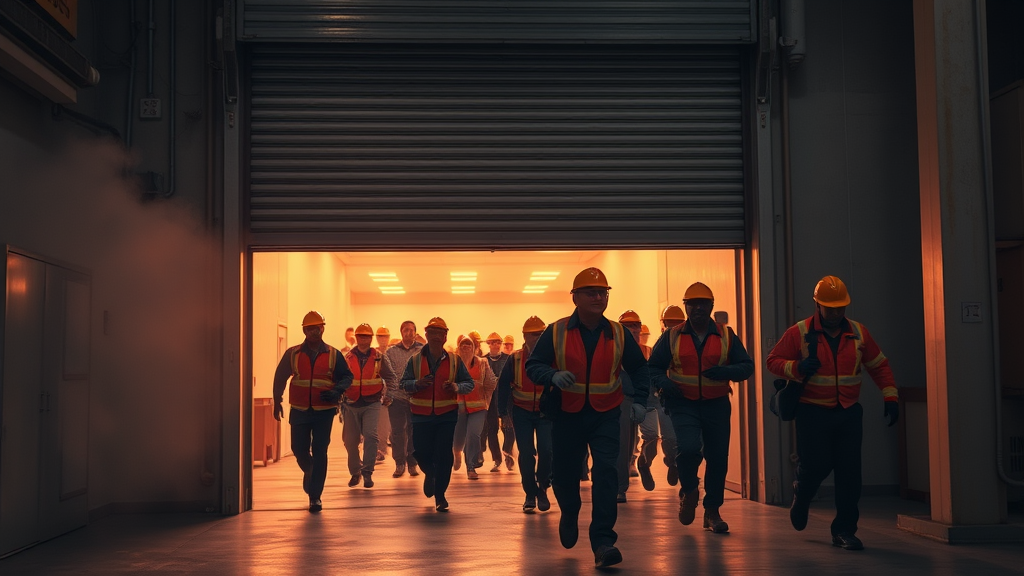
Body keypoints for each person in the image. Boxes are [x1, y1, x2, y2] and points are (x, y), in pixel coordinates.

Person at [526, 267, 650, 568]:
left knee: (606, 472)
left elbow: (639, 368)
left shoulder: (618, 333)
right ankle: (569, 512)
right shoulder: (555, 331)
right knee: (565, 474)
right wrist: (553, 375)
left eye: (603, 293)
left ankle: (603, 541)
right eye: (591, 292)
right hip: (567, 415)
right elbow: (533, 365)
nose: (598, 297)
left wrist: (641, 401)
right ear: (575, 297)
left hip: (606, 413)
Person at [766, 275, 899, 551]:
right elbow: (773, 362)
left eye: (841, 307)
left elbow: (879, 365)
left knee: (850, 474)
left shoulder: (859, 333)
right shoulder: (799, 333)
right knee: (816, 465)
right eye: (830, 308)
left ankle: (844, 531)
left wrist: (890, 396)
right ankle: (802, 494)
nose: (836, 313)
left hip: (849, 413)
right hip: (812, 412)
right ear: (817, 305)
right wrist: (798, 367)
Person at [648, 283, 754, 534]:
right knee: (687, 448)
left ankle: (712, 512)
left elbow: (746, 366)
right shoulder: (672, 335)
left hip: (716, 404)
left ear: (711, 307)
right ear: (686, 307)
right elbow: (652, 367)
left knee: (717, 458)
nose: (697, 308)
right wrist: (664, 382)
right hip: (682, 402)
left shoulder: (726, 335)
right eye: (692, 303)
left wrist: (726, 372)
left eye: (702, 303)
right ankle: (690, 490)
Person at [272, 310, 354, 513]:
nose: (313, 332)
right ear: (304, 330)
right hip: (299, 410)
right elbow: (280, 377)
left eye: (316, 328)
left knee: (320, 451)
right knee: (299, 449)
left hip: (324, 411)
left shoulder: (334, 354)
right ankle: (311, 472)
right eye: (309, 329)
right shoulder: (293, 353)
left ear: (322, 329)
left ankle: (315, 496)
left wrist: (336, 391)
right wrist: (276, 401)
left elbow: (347, 377)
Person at [401, 317, 474, 512]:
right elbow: (403, 383)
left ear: (445, 337)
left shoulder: (454, 361)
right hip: (421, 415)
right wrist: (416, 384)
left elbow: (469, 384)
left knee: (444, 456)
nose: (434, 336)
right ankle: (430, 473)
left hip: (446, 416)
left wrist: (456, 386)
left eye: (438, 333)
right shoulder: (415, 360)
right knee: (421, 452)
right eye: (431, 333)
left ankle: (440, 496)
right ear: (425, 335)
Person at [497, 316, 552, 513]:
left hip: (546, 414)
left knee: (547, 451)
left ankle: (543, 487)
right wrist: (502, 413)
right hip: (521, 412)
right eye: (533, 335)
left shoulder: (553, 358)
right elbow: (503, 385)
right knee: (527, 454)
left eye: (540, 334)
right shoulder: (516, 358)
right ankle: (530, 493)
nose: (537, 338)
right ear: (525, 336)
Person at [637, 305, 685, 490]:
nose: (673, 326)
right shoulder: (660, 345)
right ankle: (644, 464)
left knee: (671, 438)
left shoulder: (684, 344)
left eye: (677, 323)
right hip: (650, 397)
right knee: (650, 436)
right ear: (663, 325)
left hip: (668, 399)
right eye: (669, 323)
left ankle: (672, 463)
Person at [341, 323, 386, 489]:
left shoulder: (379, 357)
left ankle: (367, 473)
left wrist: (389, 395)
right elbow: (339, 379)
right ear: (356, 337)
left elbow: (391, 377)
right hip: (351, 404)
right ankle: (355, 472)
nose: (363, 339)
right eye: (361, 336)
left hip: (372, 403)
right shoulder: (347, 357)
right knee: (350, 441)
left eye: (367, 336)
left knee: (370, 436)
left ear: (371, 338)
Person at [380, 320, 423, 478]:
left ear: (415, 332)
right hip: (396, 397)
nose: (409, 333)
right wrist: (388, 394)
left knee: (414, 432)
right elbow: (387, 375)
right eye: (406, 330)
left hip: (416, 397)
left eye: (412, 330)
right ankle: (399, 463)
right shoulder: (391, 352)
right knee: (397, 432)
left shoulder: (422, 350)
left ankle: (412, 463)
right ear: (401, 332)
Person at [452, 335, 497, 480]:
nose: (466, 348)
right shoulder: (453, 364)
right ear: (458, 348)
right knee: (458, 437)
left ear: (474, 348)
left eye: (468, 345)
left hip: (478, 407)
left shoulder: (482, 363)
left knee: (474, 434)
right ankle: (457, 452)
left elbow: (491, 382)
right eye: (463, 346)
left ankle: (471, 466)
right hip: (458, 407)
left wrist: (486, 397)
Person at [614, 310, 645, 503]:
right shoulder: (614, 348)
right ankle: (619, 487)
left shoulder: (648, 351)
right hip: (619, 398)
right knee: (621, 443)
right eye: (628, 326)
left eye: (635, 326)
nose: (632, 330)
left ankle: (639, 464)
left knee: (630, 443)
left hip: (640, 400)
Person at [481, 331, 514, 472]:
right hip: (488, 399)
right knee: (491, 429)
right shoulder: (482, 360)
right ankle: (497, 459)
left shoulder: (509, 359)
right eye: (492, 342)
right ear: (488, 344)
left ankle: (507, 453)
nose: (495, 344)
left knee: (509, 427)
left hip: (506, 397)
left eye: (498, 342)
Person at [375, 325, 393, 464]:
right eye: (380, 336)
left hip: (392, 394)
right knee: (380, 425)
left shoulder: (392, 353)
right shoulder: (374, 354)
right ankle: (379, 450)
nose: (383, 339)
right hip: (378, 395)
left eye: (385, 336)